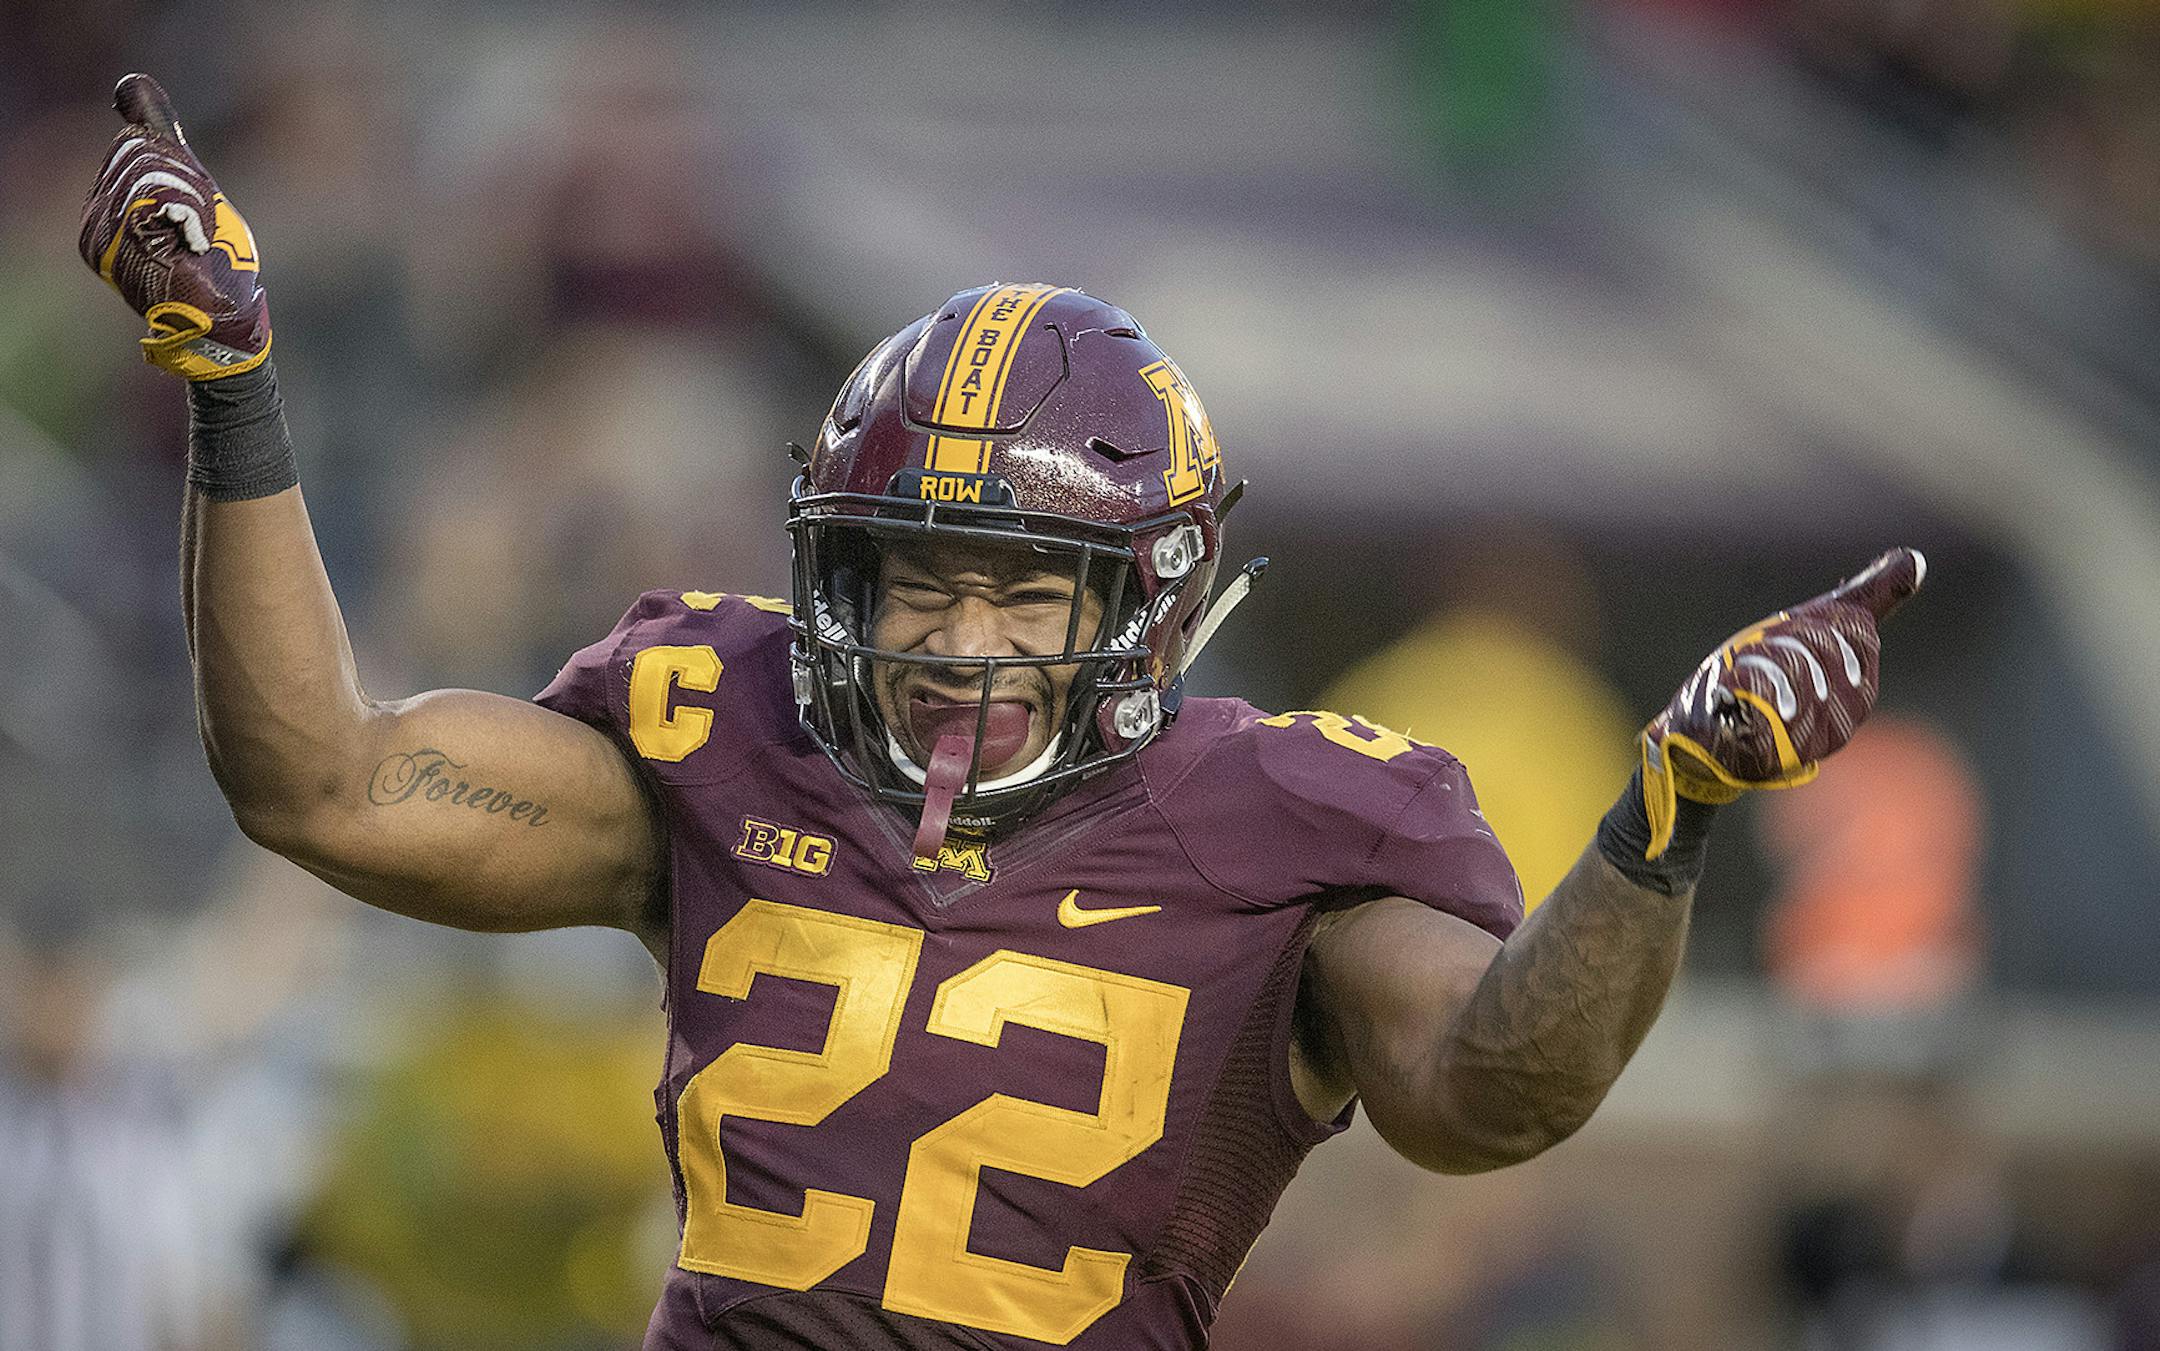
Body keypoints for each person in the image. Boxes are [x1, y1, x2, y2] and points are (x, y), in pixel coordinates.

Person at [79, 73, 1924, 1351]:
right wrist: (236, 387)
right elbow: (323, 782)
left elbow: (1485, 1098)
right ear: (838, 573)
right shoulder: (729, 731)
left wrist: (1659, 824)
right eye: (919, 579)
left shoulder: (1294, 826)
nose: (963, 641)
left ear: (1152, 606)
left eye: (1028, 591)